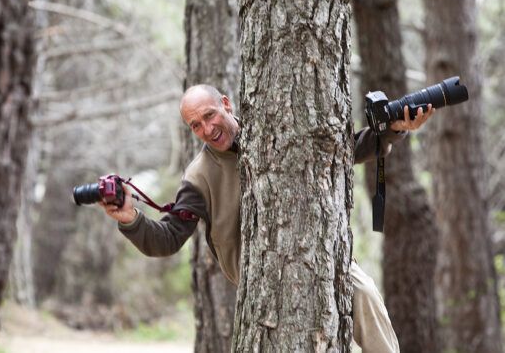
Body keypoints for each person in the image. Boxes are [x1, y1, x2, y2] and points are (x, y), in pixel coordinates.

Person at [100, 84, 434, 352]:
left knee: (364, 294)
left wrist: (392, 130)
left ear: (227, 105)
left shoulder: (272, 128)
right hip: (261, 281)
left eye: (209, 115)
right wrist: (130, 218)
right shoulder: (199, 176)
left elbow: (344, 147)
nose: (206, 128)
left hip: (319, 254)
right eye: (195, 125)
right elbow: (169, 237)